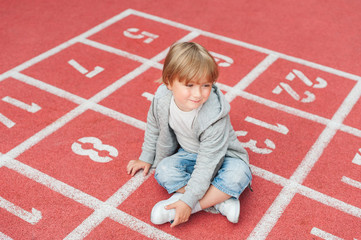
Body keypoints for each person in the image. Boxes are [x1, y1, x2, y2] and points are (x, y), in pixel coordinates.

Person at [126, 42, 252, 228]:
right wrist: (146, 156)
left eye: (206, 85)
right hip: (188, 154)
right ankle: (218, 199)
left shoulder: (213, 116)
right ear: (169, 82)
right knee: (163, 170)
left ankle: (193, 205)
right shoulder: (162, 99)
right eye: (190, 85)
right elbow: (154, 126)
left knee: (239, 174)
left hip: (223, 157)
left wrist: (188, 203)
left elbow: (209, 161)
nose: (198, 94)